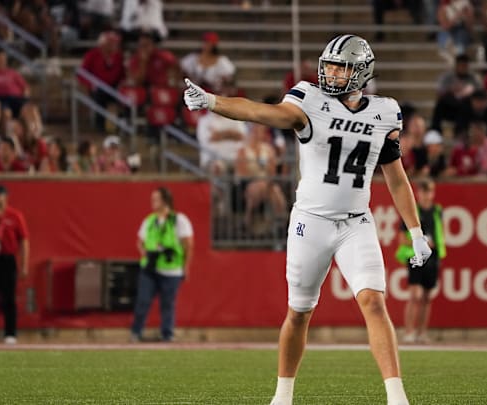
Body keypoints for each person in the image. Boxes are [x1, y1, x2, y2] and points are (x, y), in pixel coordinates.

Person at [184, 34, 432, 405]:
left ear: (361, 72)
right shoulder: (307, 99)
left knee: (374, 303)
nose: (330, 73)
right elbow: (260, 111)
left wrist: (416, 232)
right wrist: (213, 102)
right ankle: (283, 395)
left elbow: (396, 176)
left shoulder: (384, 112)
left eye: (339, 66)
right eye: (328, 65)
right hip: (310, 222)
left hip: (355, 222)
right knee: (299, 313)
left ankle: (397, 399)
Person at [131, 187, 194, 342]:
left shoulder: (179, 220)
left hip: (171, 269)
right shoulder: (150, 220)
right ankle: (136, 332)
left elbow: (188, 244)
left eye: (156, 199)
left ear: (165, 201)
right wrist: (145, 252)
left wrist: (186, 267)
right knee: (143, 300)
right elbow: (140, 241)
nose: (152, 202)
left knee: (167, 304)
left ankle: (167, 334)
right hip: (150, 268)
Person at [396, 179, 446, 344]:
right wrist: (421, 242)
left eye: (429, 192)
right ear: (418, 194)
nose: (426, 196)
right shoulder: (412, 211)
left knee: (426, 296)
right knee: (414, 294)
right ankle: (409, 331)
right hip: (415, 255)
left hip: (433, 257)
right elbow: (402, 238)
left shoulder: (437, 211)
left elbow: (441, 233)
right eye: (423, 192)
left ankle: (422, 332)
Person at [0, 184, 29, 345]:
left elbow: (24, 240)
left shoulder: (14, 215)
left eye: (0, 196)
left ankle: (10, 333)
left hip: (8, 259)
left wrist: (24, 265)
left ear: (6, 197)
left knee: (9, 297)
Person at [79, 30, 125, 131]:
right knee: (100, 96)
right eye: (111, 43)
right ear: (103, 44)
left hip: (114, 87)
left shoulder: (118, 56)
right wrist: (91, 84)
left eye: (115, 43)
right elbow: (82, 74)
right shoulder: (92, 55)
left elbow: (123, 74)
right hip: (98, 87)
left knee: (124, 95)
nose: (114, 45)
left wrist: (122, 83)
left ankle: (122, 127)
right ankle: (100, 127)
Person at [430, 54, 481, 131]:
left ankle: (460, 133)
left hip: (466, 109)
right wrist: (451, 89)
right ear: (456, 65)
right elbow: (439, 93)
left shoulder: (473, 79)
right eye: (461, 65)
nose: (463, 68)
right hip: (450, 107)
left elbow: (480, 94)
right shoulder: (447, 77)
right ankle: (435, 131)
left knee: (466, 106)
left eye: (465, 66)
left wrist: (469, 92)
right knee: (440, 104)